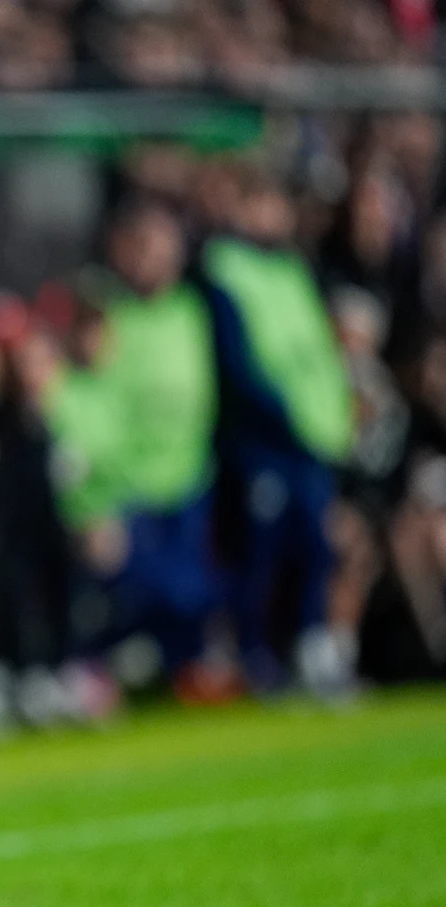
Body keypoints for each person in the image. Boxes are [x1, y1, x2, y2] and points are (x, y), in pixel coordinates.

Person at [34, 198, 220, 683]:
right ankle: (97, 662)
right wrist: (92, 507)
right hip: (121, 493)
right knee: (140, 584)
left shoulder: (191, 309)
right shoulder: (105, 315)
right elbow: (85, 436)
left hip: (188, 481)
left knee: (191, 593)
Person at [198, 168, 355, 693]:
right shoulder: (224, 270)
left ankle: (309, 646)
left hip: (310, 438)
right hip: (263, 440)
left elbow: (318, 356)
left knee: (314, 547)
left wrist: (333, 417)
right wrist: (288, 418)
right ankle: (254, 655)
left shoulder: (293, 270)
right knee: (259, 554)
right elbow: (240, 368)